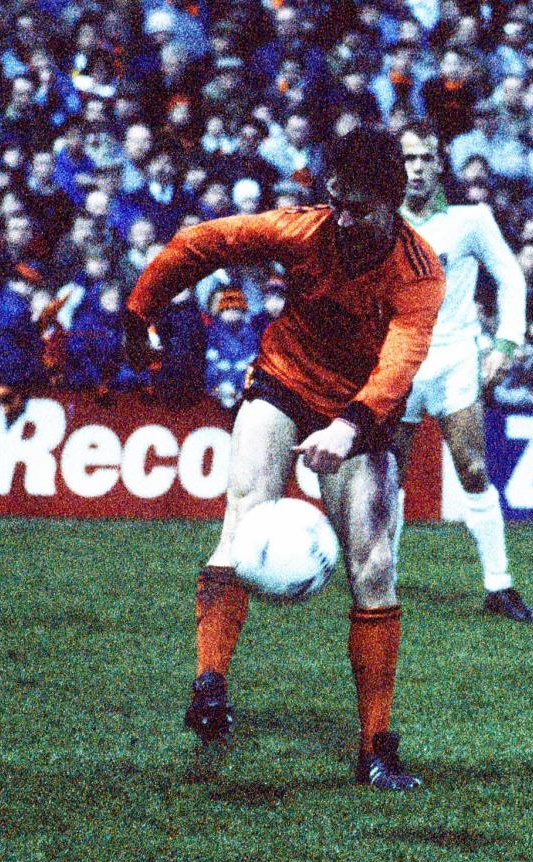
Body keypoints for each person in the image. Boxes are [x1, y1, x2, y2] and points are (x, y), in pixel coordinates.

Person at [124, 126, 445, 790]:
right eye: (339, 203)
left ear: (392, 202)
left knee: (376, 565)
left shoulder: (419, 272)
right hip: (284, 379)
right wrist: (139, 312)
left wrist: (351, 426)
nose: (345, 218)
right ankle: (209, 684)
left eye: (360, 208)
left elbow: (400, 363)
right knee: (243, 515)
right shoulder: (304, 231)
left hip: (360, 407)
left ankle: (375, 747)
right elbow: (202, 243)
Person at [391, 122, 533, 622]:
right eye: (410, 158)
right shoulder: (379, 220)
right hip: (397, 362)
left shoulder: (470, 220)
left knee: (473, 469)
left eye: (427, 157)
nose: (418, 167)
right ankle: (379, 578)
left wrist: (505, 344)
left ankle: (499, 584)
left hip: (454, 358)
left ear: (439, 163)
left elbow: (510, 277)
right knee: (389, 476)